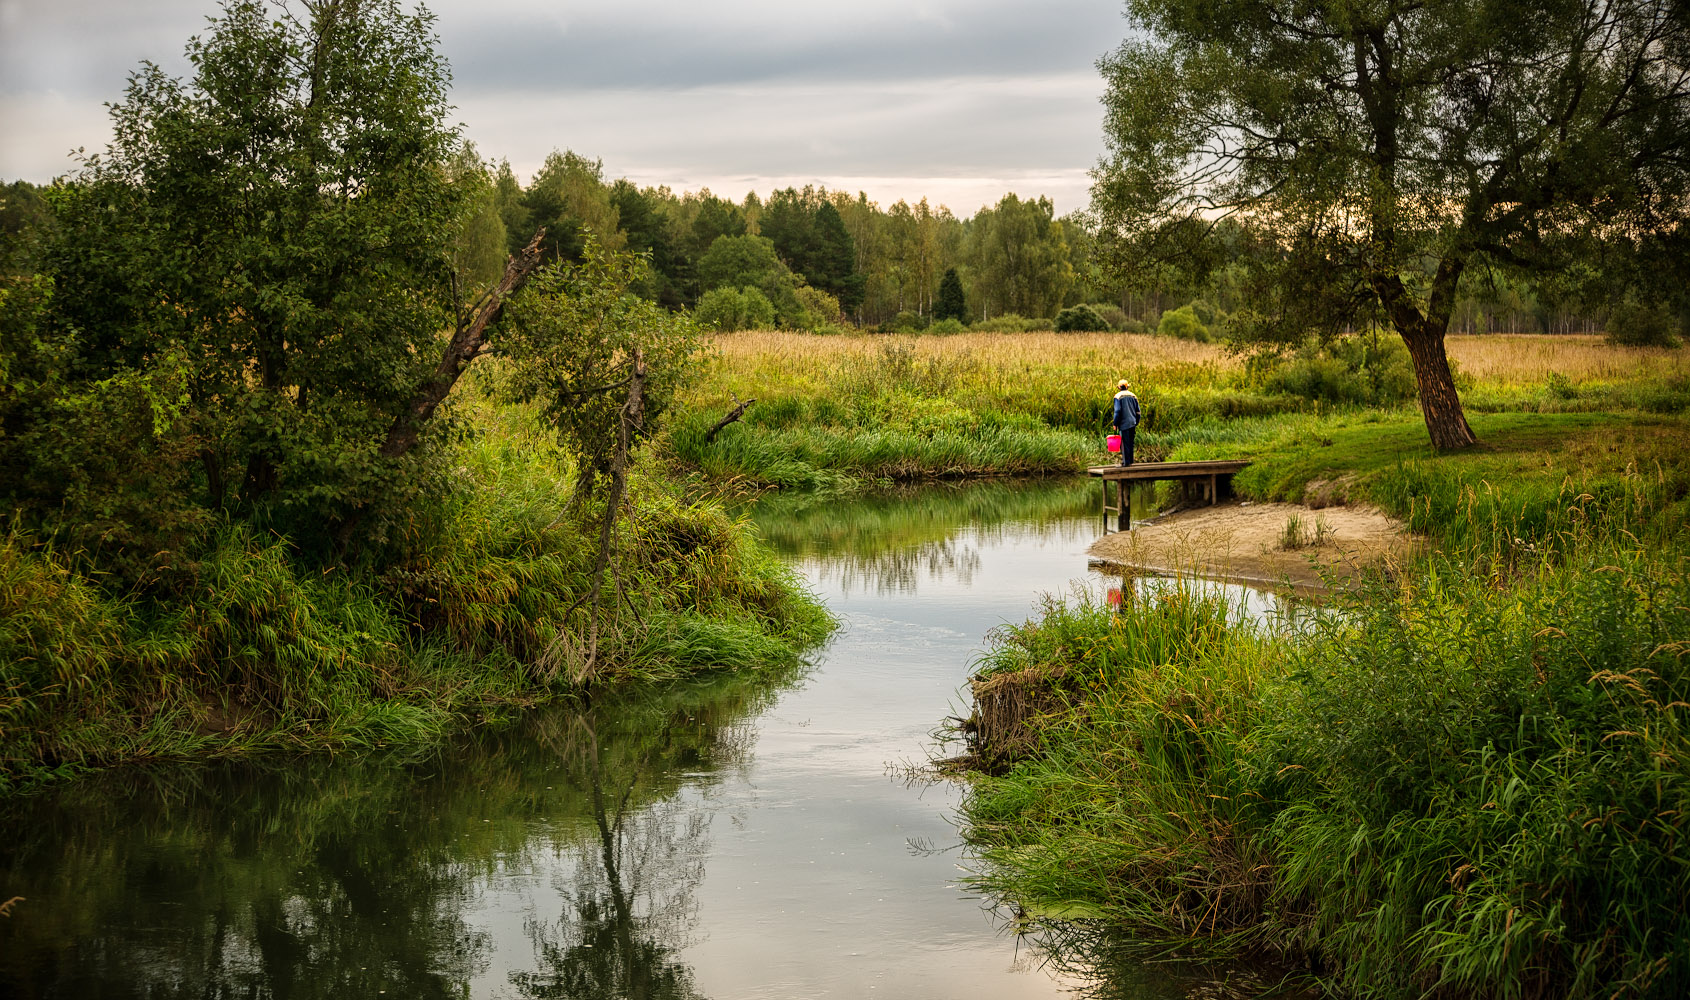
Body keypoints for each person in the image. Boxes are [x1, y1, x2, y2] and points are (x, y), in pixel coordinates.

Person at [1111, 379, 1140, 466]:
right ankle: (1130, 461)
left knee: (1124, 443)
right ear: (1127, 387)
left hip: (1123, 424)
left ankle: (1126, 463)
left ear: (1119, 387)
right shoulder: (1133, 396)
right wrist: (1136, 421)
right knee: (1131, 442)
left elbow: (1117, 411)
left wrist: (1115, 423)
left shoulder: (1117, 397)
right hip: (1132, 422)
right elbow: (1138, 411)